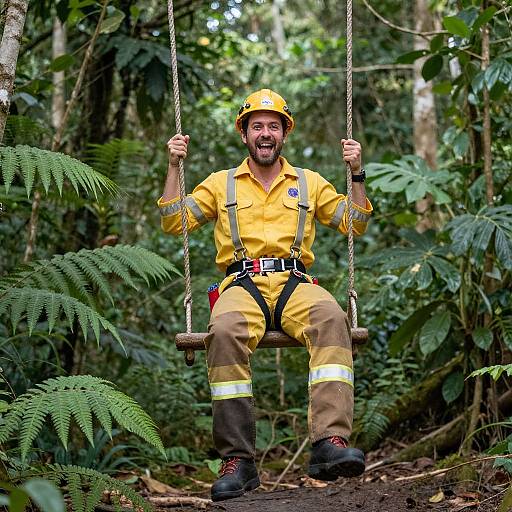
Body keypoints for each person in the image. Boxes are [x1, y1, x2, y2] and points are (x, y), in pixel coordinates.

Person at [158, 89, 373, 502]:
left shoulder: (307, 183)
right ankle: (238, 460)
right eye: (257, 126)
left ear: (284, 134)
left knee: (331, 316)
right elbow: (175, 221)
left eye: (273, 126)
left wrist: (357, 173)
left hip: (295, 283)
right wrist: (173, 165)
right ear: (244, 134)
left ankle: (330, 443)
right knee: (223, 330)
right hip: (242, 284)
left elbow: (354, 223)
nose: (265, 133)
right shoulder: (223, 184)